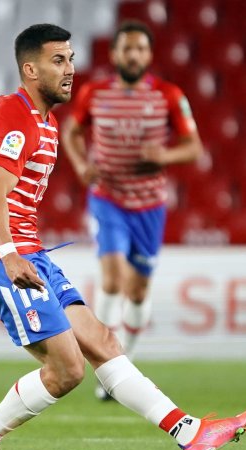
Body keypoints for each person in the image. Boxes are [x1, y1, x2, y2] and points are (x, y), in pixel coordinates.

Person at [0, 24, 246, 450]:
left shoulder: (45, 122)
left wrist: (22, 254)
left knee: (104, 342)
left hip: (30, 254)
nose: (70, 69)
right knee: (67, 370)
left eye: (71, 59)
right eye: (58, 61)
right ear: (30, 70)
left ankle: (190, 432)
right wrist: (10, 256)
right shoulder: (15, 115)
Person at [60, 20, 203, 400]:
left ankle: (128, 358)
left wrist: (164, 156)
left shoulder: (168, 95)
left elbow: (193, 147)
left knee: (137, 293)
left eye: (140, 49)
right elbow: (70, 132)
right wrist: (81, 164)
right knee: (111, 279)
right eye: (127, 48)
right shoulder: (94, 93)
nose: (133, 55)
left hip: (149, 207)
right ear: (115, 54)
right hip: (108, 199)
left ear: (149, 54)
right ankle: (108, 368)